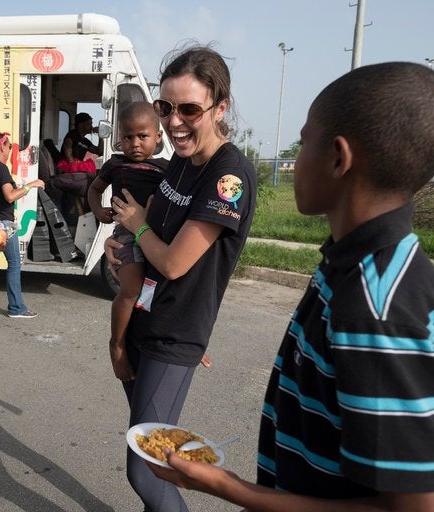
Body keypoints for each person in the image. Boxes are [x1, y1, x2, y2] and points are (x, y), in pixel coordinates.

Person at [148, 61, 434, 511]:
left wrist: (228, 488)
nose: (294, 160)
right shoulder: (346, 261)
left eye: (302, 145)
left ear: (338, 158)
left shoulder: (376, 307)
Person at [106, 45, 257, 511]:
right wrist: (123, 246)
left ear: (220, 106)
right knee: (147, 446)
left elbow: (174, 262)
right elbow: (157, 240)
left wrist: (137, 228)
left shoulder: (227, 176)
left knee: (148, 468)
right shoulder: (181, 163)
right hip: (148, 320)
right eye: (165, 108)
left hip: (172, 334)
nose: (174, 122)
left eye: (190, 109)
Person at [88, 102, 168, 363]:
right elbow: (94, 189)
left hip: (157, 237)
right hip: (125, 233)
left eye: (143, 136)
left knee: (161, 294)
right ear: (119, 139)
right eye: (128, 136)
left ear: (158, 137)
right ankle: (118, 344)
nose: (135, 143)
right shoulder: (115, 165)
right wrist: (98, 210)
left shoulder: (166, 168)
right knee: (131, 290)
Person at [0, 132, 44, 319]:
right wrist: (32, 185)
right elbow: (10, 196)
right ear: (2, 147)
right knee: (14, 264)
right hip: (3, 226)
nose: (10, 149)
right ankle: (16, 308)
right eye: (9, 146)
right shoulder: (1, 168)